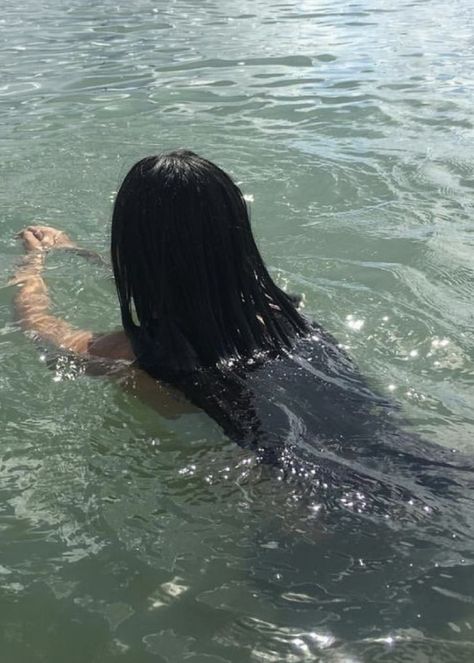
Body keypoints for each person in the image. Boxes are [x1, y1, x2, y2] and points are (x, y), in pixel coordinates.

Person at [12, 150, 471, 505]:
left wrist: (33, 263)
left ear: (131, 249)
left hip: (317, 516)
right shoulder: (277, 310)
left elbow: (37, 326)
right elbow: (192, 279)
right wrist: (76, 251)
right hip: (427, 468)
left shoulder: (131, 354)